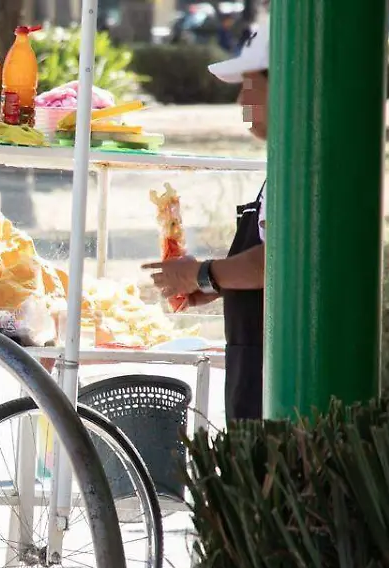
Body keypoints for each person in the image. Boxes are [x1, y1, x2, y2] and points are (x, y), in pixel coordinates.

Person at [144, 19, 270, 421]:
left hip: (273, 373)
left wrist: (204, 274)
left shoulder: (305, 167)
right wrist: (213, 283)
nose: (241, 102)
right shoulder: (288, 160)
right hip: (254, 363)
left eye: (249, 85)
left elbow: (278, 262)